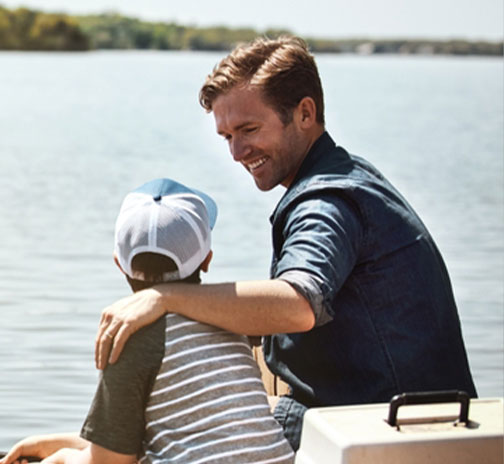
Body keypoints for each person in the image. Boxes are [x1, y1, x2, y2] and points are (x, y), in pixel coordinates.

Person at [93, 36, 477, 449]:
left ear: (305, 113)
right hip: (405, 418)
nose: (238, 152)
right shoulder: (350, 176)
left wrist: (163, 297)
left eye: (249, 129)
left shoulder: (325, 203)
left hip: (377, 429)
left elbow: (298, 304)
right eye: (226, 137)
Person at [0, 178, 294, 464]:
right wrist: (47, 444)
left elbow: (109, 463)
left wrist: (62, 458)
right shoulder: (231, 320)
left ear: (118, 262)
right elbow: (169, 437)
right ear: (207, 259)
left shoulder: (130, 334)